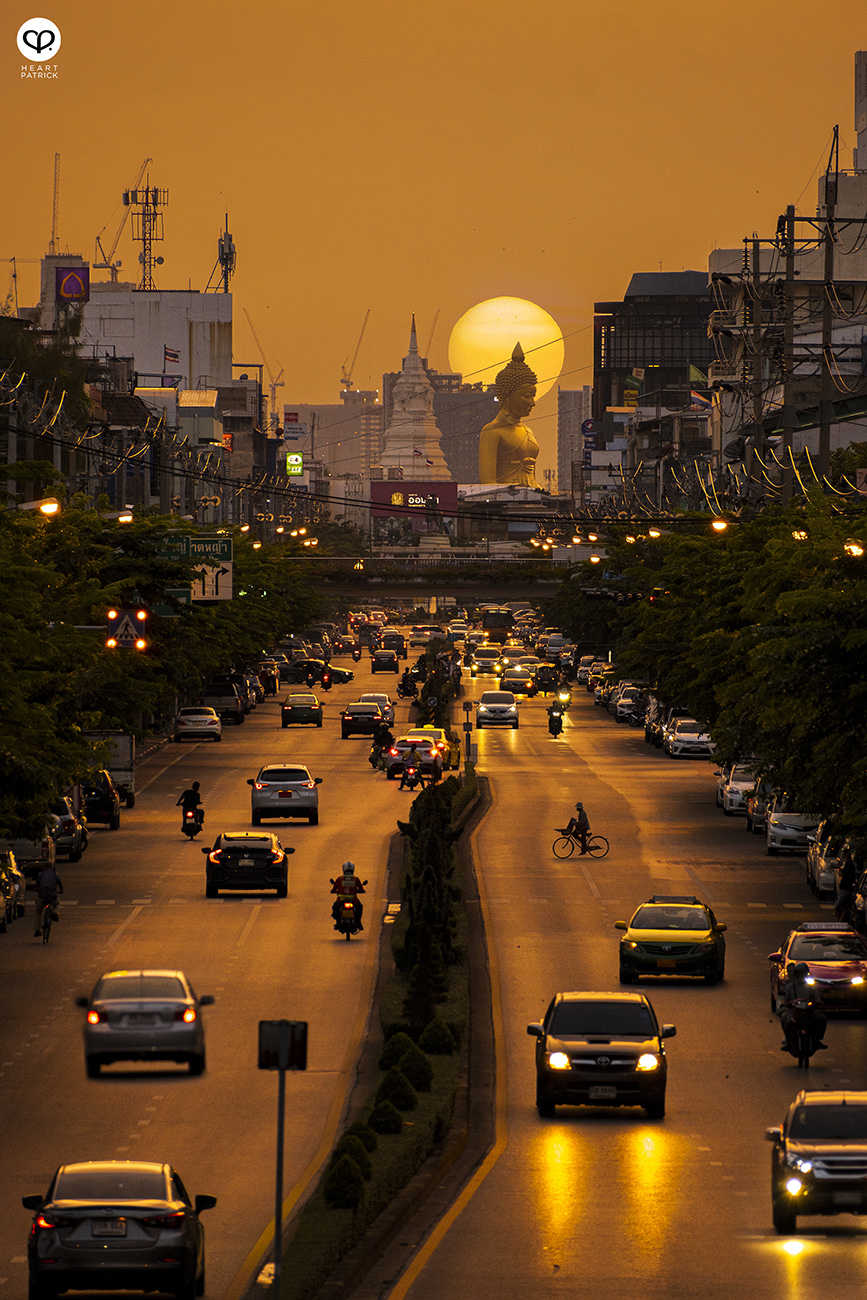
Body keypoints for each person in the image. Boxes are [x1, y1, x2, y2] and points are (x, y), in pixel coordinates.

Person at [478, 343, 543, 489]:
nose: (532, 403)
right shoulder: (492, 431)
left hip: (531, 497)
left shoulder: (528, 431)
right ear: (507, 397)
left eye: (533, 396)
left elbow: (532, 476)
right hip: (505, 501)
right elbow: (487, 483)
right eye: (527, 396)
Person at [780, 961, 827, 1052]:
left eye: (803, 973)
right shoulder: (790, 987)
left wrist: (817, 1001)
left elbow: (817, 997)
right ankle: (789, 1041)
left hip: (809, 1012)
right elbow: (784, 1000)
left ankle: (817, 1040)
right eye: (800, 973)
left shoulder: (811, 987)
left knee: (822, 1018)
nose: (801, 976)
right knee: (785, 1019)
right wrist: (789, 1002)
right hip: (794, 1012)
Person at [331, 861, 365, 930]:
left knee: (335, 908)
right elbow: (361, 889)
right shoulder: (355, 879)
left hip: (341, 900)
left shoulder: (339, 878)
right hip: (353, 900)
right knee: (359, 907)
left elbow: (334, 889)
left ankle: (338, 922)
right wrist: (361, 891)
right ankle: (358, 922)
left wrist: (333, 891)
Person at [34, 864, 63, 936]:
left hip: (42, 896)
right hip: (53, 896)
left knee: (38, 912)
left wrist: (37, 890)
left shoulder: (40, 874)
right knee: (57, 904)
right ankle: (55, 913)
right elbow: (60, 884)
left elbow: (37, 884)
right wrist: (61, 891)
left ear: (44, 867)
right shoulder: (55, 874)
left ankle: (37, 929)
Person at [834, 848, 858, 921]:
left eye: (844, 854)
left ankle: (839, 920)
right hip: (845, 889)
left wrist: (839, 868)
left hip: (846, 889)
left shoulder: (849, 865)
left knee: (837, 906)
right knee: (844, 907)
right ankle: (840, 920)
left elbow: (844, 875)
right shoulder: (848, 864)